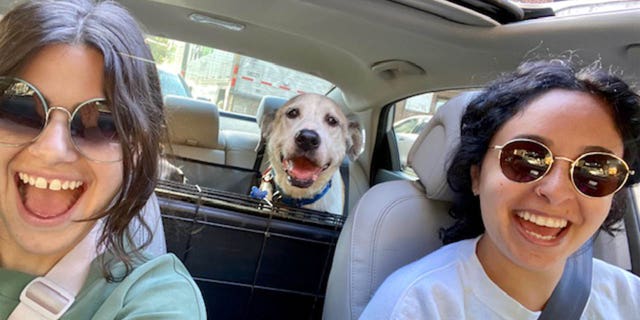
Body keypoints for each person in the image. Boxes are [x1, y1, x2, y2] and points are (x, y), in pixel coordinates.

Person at [360, 59, 640, 319]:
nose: (556, 191)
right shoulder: (415, 307)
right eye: (525, 158)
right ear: (477, 175)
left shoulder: (630, 299)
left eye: (595, 168)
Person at [0, 0, 206, 318]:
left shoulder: (153, 300)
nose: (52, 150)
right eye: (19, 108)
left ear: (137, 152)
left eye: (102, 122)